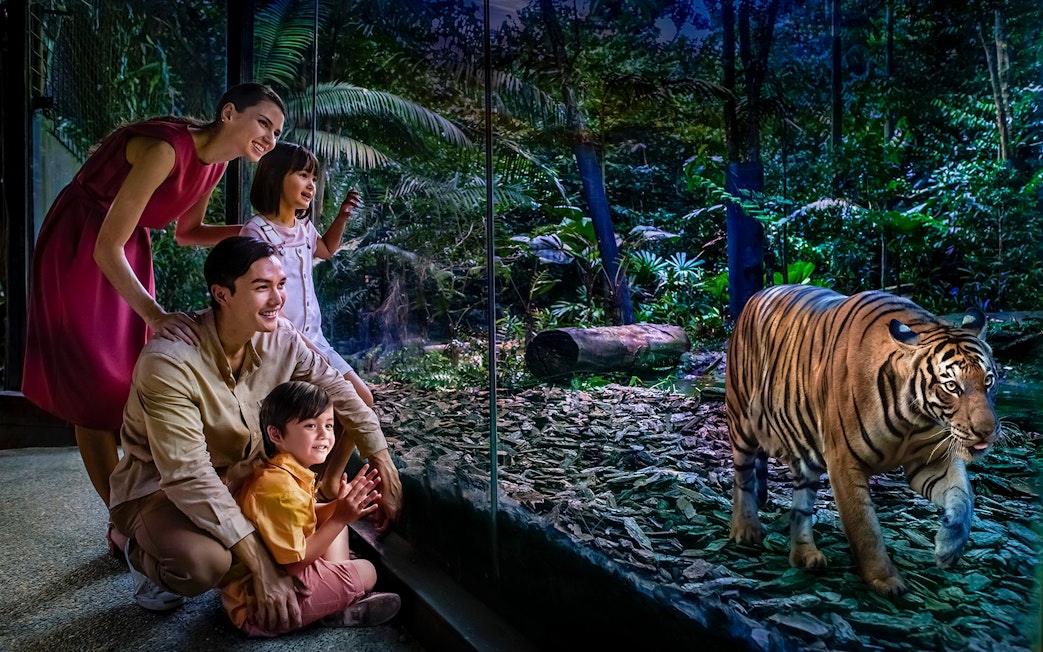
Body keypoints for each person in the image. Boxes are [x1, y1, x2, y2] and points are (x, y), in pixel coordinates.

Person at [21, 84, 286, 553]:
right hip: (83, 244)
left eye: (277, 131)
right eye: (263, 122)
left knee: (124, 382)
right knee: (95, 386)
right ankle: (120, 525)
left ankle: (134, 509)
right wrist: (156, 313)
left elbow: (187, 234)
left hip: (125, 250)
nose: (270, 136)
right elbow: (105, 244)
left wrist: (257, 233)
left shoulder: (216, 163)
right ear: (229, 113)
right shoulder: (167, 151)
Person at [108, 236, 402, 625]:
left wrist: (384, 461)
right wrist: (262, 565)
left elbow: (341, 393)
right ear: (222, 294)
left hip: (242, 482)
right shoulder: (168, 363)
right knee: (209, 563)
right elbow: (188, 477)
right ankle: (136, 550)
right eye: (262, 287)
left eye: (281, 285)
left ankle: (304, 590)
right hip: (161, 491)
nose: (278, 299)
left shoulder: (281, 337)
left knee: (284, 534)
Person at [221, 381, 401, 636]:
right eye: (310, 426)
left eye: (328, 425)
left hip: (272, 579)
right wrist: (340, 517)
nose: (325, 435)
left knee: (336, 524)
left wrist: (343, 506)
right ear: (276, 435)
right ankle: (337, 605)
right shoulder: (280, 490)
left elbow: (307, 516)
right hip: (263, 610)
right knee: (368, 572)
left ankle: (334, 593)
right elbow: (294, 565)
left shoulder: (281, 472)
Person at [240, 142, 373, 407]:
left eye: (313, 177)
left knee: (363, 401)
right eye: (303, 175)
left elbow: (325, 249)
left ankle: (334, 451)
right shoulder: (257, 232)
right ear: (275, 177)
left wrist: (342, 216)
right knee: (307, 413)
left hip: (315, 340)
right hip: (280, 345)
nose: (311, 184)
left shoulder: (303, 228)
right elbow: (265, 300)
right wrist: (308, 351)